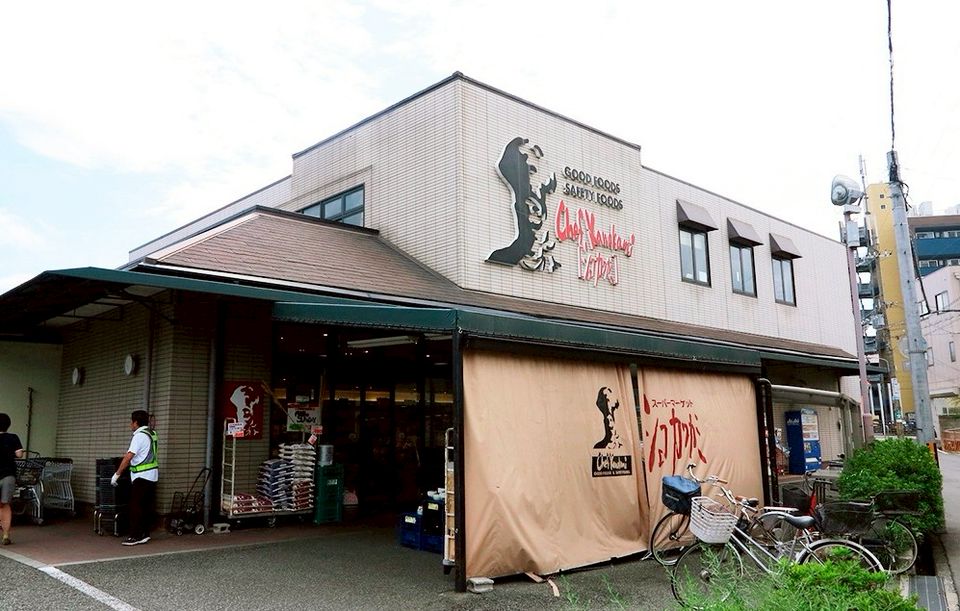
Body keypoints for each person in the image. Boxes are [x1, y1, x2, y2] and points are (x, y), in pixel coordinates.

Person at [112, 410, 158, 546]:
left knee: (136, 507)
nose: (130, 424)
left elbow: (129, 456)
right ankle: (144, 534)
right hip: (152, 475)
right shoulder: (152, 434)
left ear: (135, 422)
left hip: (141, 476)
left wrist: (117, 474)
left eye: (131, 422)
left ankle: (134, 536)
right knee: (146, 506)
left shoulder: (139, 436)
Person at [0, 412, 26, 546]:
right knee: (5, 504)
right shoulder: (13, 437)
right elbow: (19, 454)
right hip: (8, 474)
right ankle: (5, 535)